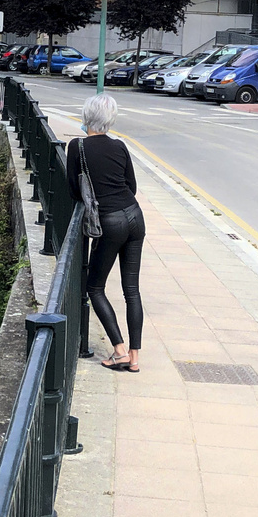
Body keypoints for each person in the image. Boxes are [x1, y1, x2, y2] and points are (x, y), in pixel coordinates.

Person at [66, 93, 145, 370]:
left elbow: (75, 191)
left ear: (86, 117)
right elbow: (131, 186)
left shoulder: (77, 147)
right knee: (131, 289)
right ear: (110, 119)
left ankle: (119, 350)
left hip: (110, 222)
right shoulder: (120, 146)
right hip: (135, 216)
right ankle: (134, 358)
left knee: (95, 286)